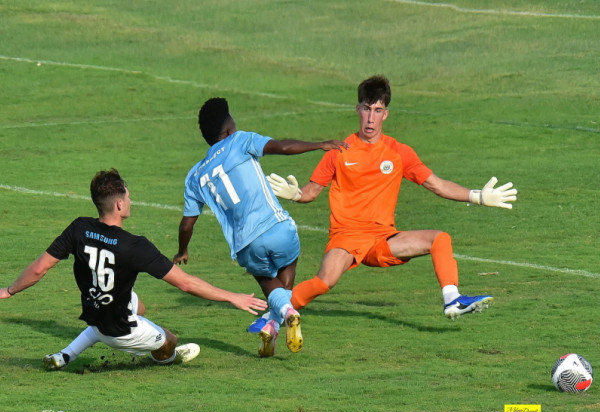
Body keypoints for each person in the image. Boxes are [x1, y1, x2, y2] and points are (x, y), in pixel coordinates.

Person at [267, 75, 518, 319]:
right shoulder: (338, 152)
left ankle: (452, 299)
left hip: (382, 240)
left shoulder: (398, 152)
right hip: (348, 236)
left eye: (377, 110)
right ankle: (273, 314)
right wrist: (296, 194)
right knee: (324, 282)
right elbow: (311, 192)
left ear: (385, 114)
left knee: (440, 239)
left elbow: (436, 184)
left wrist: (478, 197)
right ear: (358, 110)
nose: (371, 118)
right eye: (366, 109)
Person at [0, 169, 266, 370]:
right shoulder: (135, 246)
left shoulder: (79, 227)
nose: (130, 199)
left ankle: (66, 354)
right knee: (169, 339)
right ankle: (168, 358)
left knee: (139, 307)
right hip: (118, 330)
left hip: (94, 308)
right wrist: (232, 296)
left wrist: (9, 291)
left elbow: (38, 269)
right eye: (128, 195)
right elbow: (185, 283)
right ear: (118, 204)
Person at [173, 97, 347, 357]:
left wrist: (182, 251)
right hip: (278, 228)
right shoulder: (241, 140)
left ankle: (274, 323)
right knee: (288, 266)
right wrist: (319, 144)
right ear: (229, 128)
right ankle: (284, 314)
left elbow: (187, 223)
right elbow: (282, 147)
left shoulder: (195, 176)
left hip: (246, 245)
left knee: (268, 282)